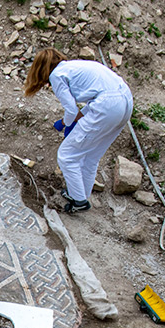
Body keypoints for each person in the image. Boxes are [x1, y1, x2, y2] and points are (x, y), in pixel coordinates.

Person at [24, 48, 134, 214]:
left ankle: (79, 200)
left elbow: (71, 110)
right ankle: (81, 195)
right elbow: (95, 101)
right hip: (125, 102)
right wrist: (74, 120)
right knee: (91, 157)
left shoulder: (56, 75)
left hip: (107, 106)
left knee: (66, 156)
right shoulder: (75, 67)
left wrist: (65, 123)